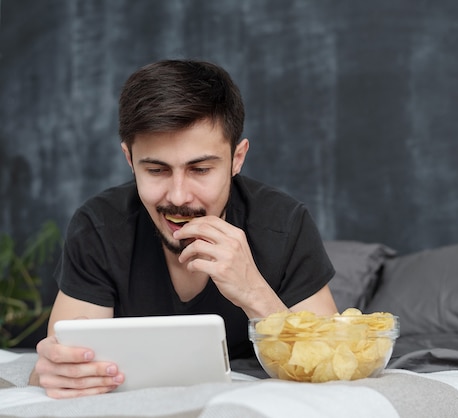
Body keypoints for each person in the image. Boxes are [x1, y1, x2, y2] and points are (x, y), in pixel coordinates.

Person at [29, 59, 338, 398]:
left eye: (201, 169)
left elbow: (332, 366)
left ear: (237, 159)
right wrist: (58, 371)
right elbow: (58, 366)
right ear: (130, 160)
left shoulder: (284, 224)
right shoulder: (98, 228)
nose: (178, 196)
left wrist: (253, 292)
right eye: (157, 171)